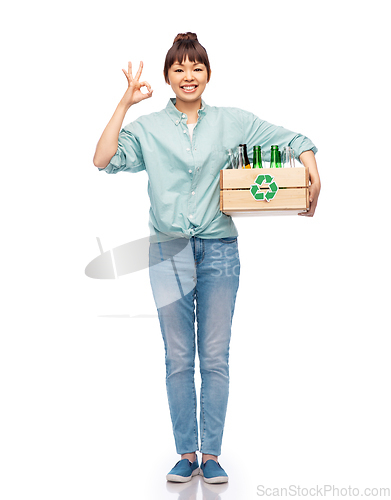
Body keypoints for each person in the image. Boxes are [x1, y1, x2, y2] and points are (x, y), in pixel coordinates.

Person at [93, 32, 321, 484]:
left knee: (215, 355)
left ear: (208, 74)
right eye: (178, 68)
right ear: (167, 77)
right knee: (178, 357)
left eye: (196, 67)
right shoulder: (148, 129)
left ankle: (212, 455)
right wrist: (124, 105)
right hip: (168, 250)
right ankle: (186, 452)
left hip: (220, 250)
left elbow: (293, 138)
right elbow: (102, 159)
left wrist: (313, 165)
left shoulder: (231, 122)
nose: (188, 76)